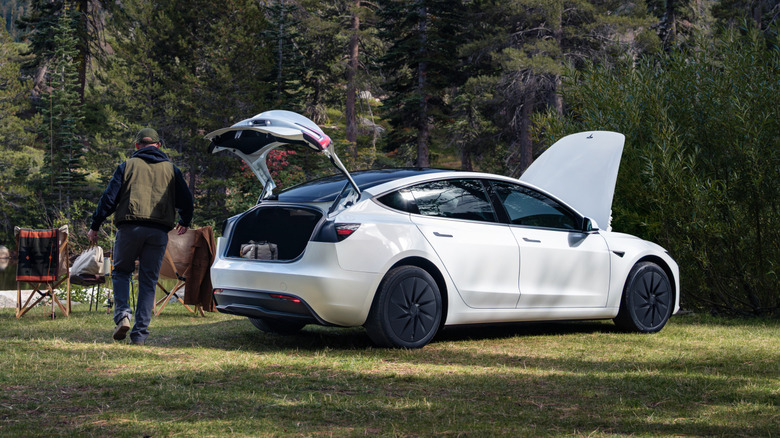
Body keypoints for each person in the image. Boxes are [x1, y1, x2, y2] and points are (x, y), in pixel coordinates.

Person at [88, 128, 194, 345]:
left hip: (129, 229)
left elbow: (108, 199)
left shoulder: (126, 166)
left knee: (121, 273)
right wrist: (184, 220)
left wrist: (95, 225)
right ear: (159, 145)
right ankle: (140, 335)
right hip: (158, 232)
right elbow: (186, 200)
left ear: (137, 146)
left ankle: (123, 315)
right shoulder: (172, 170)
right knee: (148, 281)